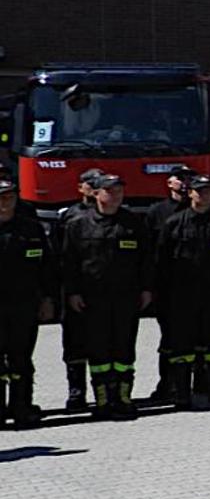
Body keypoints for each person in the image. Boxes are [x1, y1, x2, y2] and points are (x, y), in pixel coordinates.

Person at [62, 173, 154, 419]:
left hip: (126, 296)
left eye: (119, 191)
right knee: (99, 350)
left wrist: (146, 289)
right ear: (96, 194)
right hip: (93, 298)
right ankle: (102, 399)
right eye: (110, 191)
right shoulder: (78, 224)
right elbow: (69, 262)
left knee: (124, 348)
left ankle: (123, 397)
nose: (116, 196)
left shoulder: (133, 223)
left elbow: (146, 260)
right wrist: (72, 292)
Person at [156, 174, 210, 410]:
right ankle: (181, 392)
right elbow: (161, 262)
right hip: (182, 296)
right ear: (190, 193)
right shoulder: (175, 223)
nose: (204, 195)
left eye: (208, 190)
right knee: (182, 347)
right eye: (200, 191)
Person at [0, 178, 55, 428]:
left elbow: (48, 269)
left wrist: (47, 299)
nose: (4, 202)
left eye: (9, 196)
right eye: (1, 197)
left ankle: (22, 407)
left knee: (21, 358)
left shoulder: (31, 230)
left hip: (24, 305)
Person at [54, 169, 101, 411]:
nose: (93, 188)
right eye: (89, 184)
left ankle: (102, 393)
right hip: (74, 291)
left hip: (100, 292)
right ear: (80, 187)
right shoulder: (69, 216)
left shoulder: (108, 216)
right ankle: (76, 393)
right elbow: (62, 257)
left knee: (100, 345)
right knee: (74, 344)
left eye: (98, 184)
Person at [146, 165, 194, 401]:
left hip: (194, 287)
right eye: (180, 179)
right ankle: (166, 384)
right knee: (169, 340)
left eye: (188, 179)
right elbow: (151, 252)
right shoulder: (157, 212)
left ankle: (193, 386)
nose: (184, 183)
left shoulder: (197, 211)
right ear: (169, 183)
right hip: (168, 287)